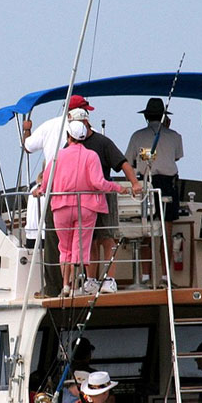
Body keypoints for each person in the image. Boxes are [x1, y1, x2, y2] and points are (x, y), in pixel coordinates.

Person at [39, 120, 132, 296]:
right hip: (86, 208)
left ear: (68, 136)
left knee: (64, 249)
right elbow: (99, 183)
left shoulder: (57, 156)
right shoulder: (91, 156)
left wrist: (40, 191)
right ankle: (76, 287)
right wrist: (119, 188)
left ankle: (66, 286)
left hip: (61, 207)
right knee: (79, 247)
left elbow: (46, 182)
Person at [22, 95, 96, 297]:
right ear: (77, 113)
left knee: (56, 242)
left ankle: (56, 287)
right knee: (80, 243)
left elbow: (27, 146)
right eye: (84, 111)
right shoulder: (90, 132)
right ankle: (78, 285)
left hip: (53, 192)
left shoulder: (48, 126)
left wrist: (27, 128)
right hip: (82, 196)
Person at [70, 110, 142, 293]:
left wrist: (135, 183)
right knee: (90, 242)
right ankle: (91, 280)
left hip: (104, 196)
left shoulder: (103, 142)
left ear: (86, 122)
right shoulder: (70, 143)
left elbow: (123, 163)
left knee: (108, 238)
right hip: (83, 199)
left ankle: (109, 279)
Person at [125, 98, 184, 283]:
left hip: (146, 185)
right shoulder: (175, 135)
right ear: (164, 117)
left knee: (146, 231)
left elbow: (129, 160)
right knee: (166, 233)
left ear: (146, 117)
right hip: (168, 185)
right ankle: (165, 277)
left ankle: (145, 276)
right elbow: (177, 156)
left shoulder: (137, 136)